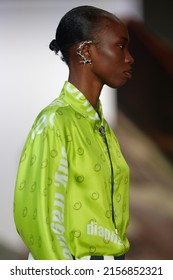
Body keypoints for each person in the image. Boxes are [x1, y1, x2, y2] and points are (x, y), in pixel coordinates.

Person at [14, 5, 134, 260]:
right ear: (86, 51)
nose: (129, 57)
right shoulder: (55, 121)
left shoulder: (100, 127)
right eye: (120, 46)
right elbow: (38, 217)